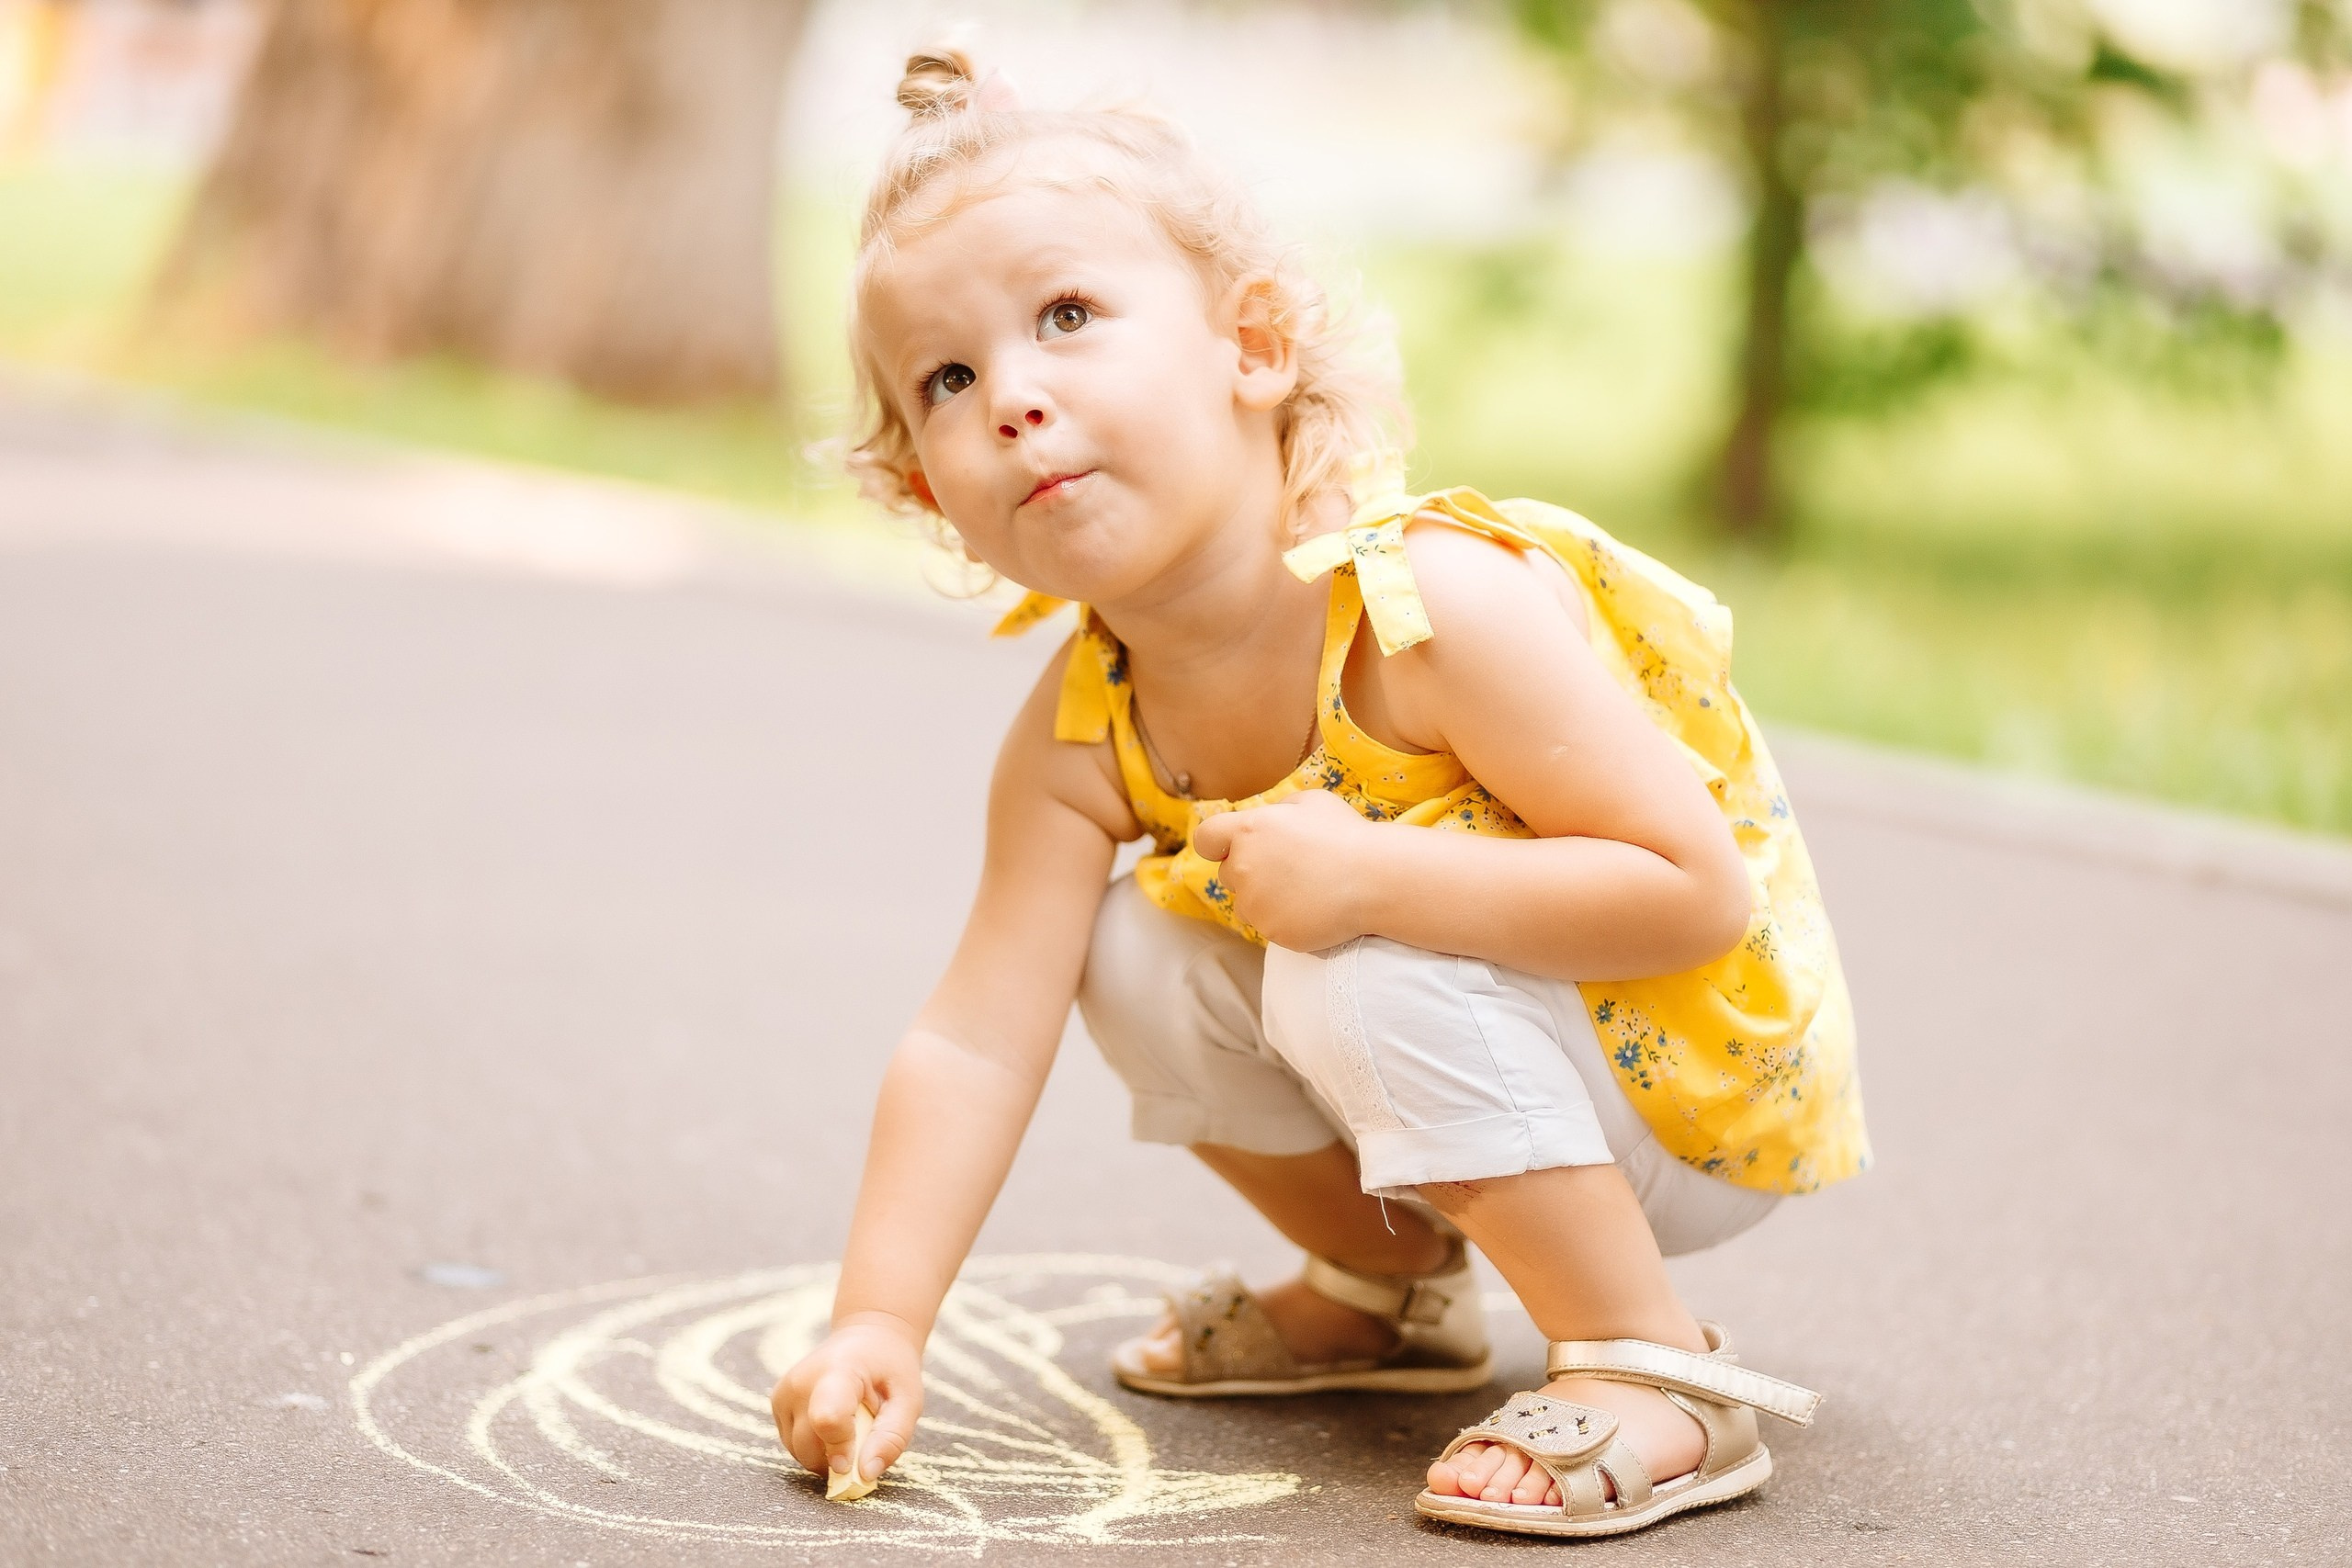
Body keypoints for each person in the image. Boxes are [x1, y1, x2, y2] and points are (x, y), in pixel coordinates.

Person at [770, 42, 1869, 1540]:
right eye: (948, 381)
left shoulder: (1424, 611)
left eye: (1069, 317)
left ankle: (1655, 1369)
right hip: (1488, 1075)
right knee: (1126, 952)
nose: (1013, 397)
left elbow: (1691, 896)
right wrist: (878, 1322)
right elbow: (974, 1040)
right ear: (925, 489)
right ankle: (1389, 1294)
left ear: (1254, 347)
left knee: (1344, 969)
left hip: (1684, 1092)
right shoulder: (1086, 731)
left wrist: (1368, 882)